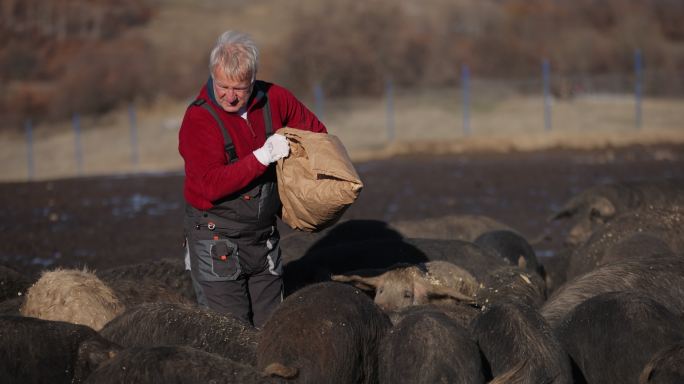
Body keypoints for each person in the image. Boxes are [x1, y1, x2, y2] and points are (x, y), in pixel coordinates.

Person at [178, 30, 327, 328]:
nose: (230, 96)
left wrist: (299, 160)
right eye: (222, 86)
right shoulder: (199, 119)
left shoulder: (276, 99)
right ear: (212, 76)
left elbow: (317, 134)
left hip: (263, 237)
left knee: (272, 329)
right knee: (230, 332)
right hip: (215, 236)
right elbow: (210, 184)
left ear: (253, 80)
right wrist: (262, 157)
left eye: (240, 88)